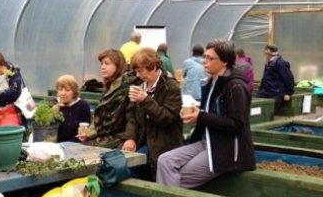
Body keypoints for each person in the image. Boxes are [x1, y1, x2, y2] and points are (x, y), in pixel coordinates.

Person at [156, 39, 256, 188]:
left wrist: (201, 116)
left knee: (178, 176)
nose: (204, 61)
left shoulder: (235, 86)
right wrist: (197, 117)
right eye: (205, 57)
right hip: (207, 141)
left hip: (227, 148)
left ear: (224, 61)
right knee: (164, 161)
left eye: (210, 58)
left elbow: (237, 124)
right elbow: (209, 115)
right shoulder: (210, 83)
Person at [126, 48, 183, 179]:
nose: (138, 75)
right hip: (143, 139)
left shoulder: (170, 87)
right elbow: (132, 116)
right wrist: (130, 138)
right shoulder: (141, 85)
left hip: (164, 142)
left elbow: (166, 118)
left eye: (140, 71)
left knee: (129, 166)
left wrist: (145, 100)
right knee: (117, 162)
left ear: (152, 67)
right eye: (136, 71)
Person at [78, 49, 137, 149]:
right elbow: (100, 117)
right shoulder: (111, 85)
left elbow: (113, 122)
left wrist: (90, 134)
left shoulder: (123, 88)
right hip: (107, 134)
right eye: (102, 64)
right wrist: (88, 131)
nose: (103, 67)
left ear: (118, 66)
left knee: (86, 149)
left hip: (119, 136)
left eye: (107, 63)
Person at [53, 75, 91, 143]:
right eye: (60, 89)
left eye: (67, 90)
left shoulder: (83, 105)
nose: (63, 93)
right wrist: (51, 114)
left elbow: (84, 133)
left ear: (74, 92)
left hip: (75, 146)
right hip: (53, 145)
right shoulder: (52, 103)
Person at [256, 44, 294, 110]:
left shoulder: (281, 63)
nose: (264, 54)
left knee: (269, 112)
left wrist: (288, 93)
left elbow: (288, 78)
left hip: (275, 93)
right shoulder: (269, 62)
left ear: (268, 52)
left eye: (265, 52)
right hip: (266, 91)